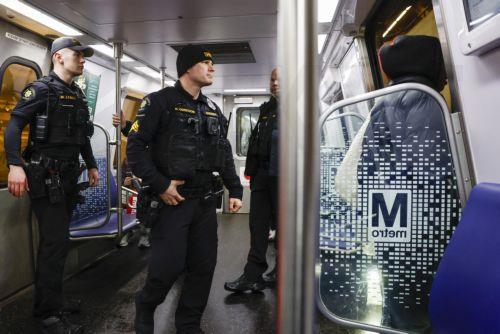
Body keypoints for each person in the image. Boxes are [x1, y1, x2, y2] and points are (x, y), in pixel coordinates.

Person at [127, 45, 243, 334]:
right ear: (188, 68)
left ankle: (189, 325)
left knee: (203, 268)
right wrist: (161, 184)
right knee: (168, 268)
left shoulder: (212, 109)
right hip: (172, 202)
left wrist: (235, 189)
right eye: (206, 63)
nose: (212, 68)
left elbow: (224, 152)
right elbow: (136, 148)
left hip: (204, 203)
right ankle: (146, 304)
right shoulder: (158, 103)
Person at [4, 37, 98, 334]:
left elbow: (82, 137)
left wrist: (92, 164)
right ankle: (47, 314)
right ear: (58, 57)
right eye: (78, 55)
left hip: (68, 178)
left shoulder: (77, 95)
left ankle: (51, 301)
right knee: (54, 245)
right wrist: (15, 164)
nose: (83, 60)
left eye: (85, 56)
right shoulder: (41, 90)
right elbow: (14, 125)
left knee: (58, 243)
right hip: (45, 177)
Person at [360, 35, 452, 333]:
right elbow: (429, 177)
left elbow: (369, 172)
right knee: (415, 309)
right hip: (417, 232)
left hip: (392, 222)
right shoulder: (424, 100)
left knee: (399, 300)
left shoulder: (386, 101)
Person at [224, 68, 280, 293]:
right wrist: (252, 172)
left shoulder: (299, 108)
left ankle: (284, 271)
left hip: (285, 177)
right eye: (272, 79)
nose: (275, 83)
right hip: (262, 176)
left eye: (280, 79)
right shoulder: (267, 110)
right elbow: (258, 144)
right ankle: (252, 275)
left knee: (284, 228)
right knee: (257, 226)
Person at [112, 112, 151, 248]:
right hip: (131, 193)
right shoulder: (127, 161)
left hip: (146, 191)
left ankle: (145, 233)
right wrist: (125, 182)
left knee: (146, 201)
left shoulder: (152, 157)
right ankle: (129, 232)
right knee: (129, 200)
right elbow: (121, 179)